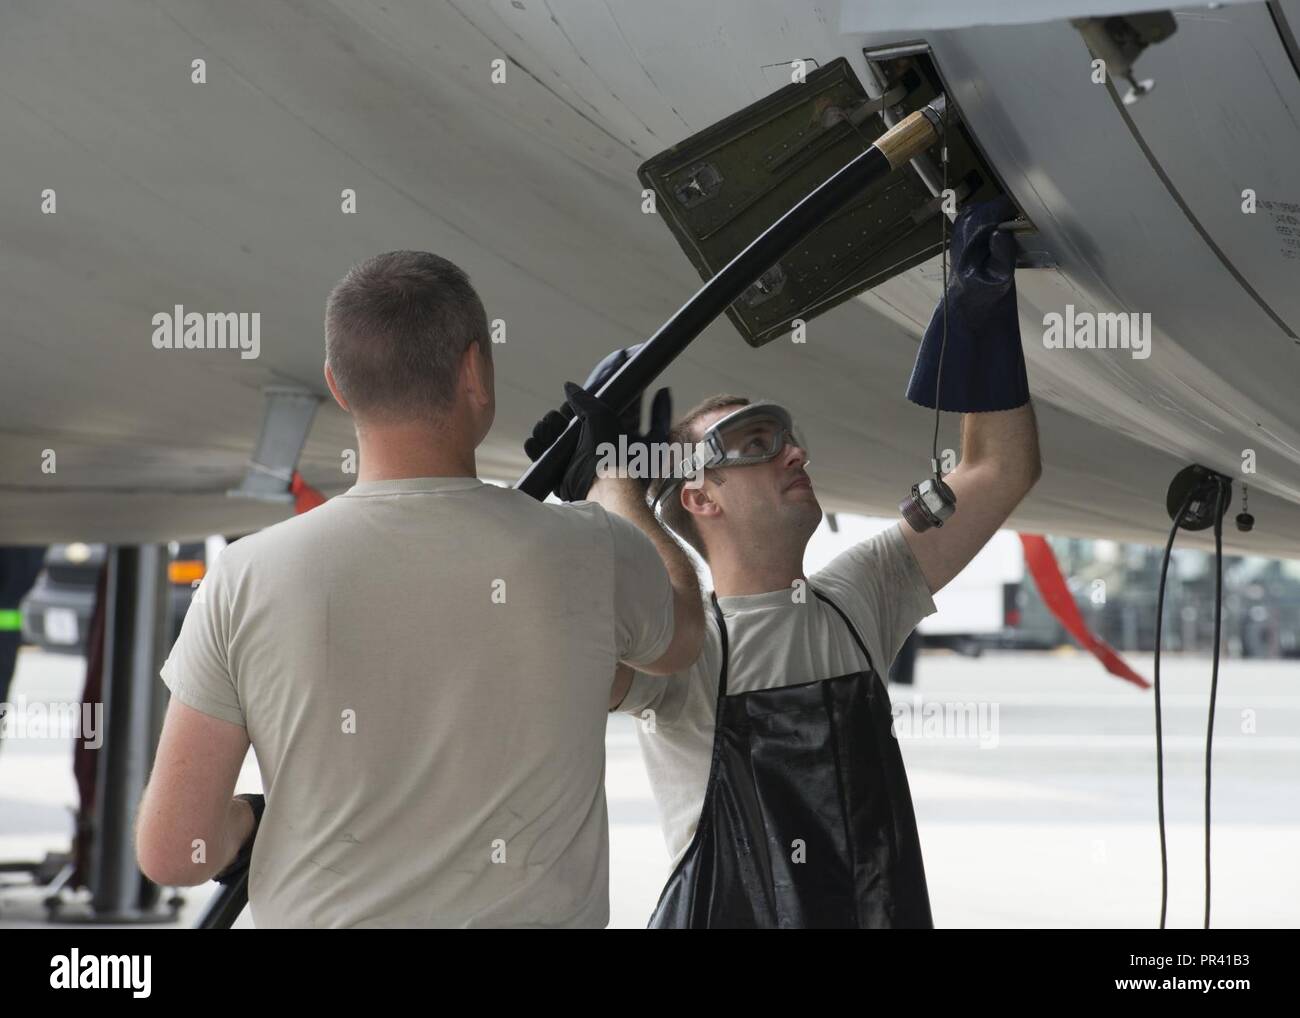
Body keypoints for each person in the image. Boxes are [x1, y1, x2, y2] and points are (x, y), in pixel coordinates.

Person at [134, 250, 703, 927]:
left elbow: (174, 852)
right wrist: (612, 483)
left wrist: (251, 821)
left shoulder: (243, 577)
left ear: (338, 386)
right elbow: (680, 640)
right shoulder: (588, 546)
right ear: (475, 371)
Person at [611, 196, 1042, 927]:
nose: (794, 452)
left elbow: (1000, 468)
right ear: (700, 499)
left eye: (787, 436)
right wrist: (614, 481)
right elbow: (571, 665)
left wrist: (982, 319)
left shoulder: (857, 594)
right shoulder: (680, 651)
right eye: (756, 443)